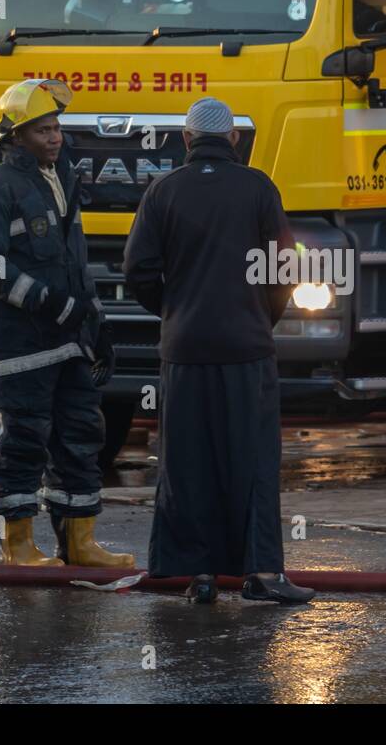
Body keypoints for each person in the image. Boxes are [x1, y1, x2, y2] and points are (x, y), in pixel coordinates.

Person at [122, 97, 315, 605]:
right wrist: (259, 316)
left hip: (184, 350)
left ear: (185, 140)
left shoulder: (163, 191)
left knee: (187, 463)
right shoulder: (257, 188)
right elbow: (283, 268)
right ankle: (262, 574)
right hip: (246, 347)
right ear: (233, 139)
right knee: (251, 461)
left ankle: (198, 576)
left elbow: (137, 269)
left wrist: (176, 311)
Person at [0, 78, 134, 569]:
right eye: (42, 130)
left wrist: (95, 324)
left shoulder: (60, 182)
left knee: (82, 438)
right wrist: (50, 304)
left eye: (56, 127)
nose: (54, 137)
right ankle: (16, 546)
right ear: (15, 136)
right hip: (20, 349)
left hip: (69, 346)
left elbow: (74, 264)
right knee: (22, 441)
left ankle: (79, 544)